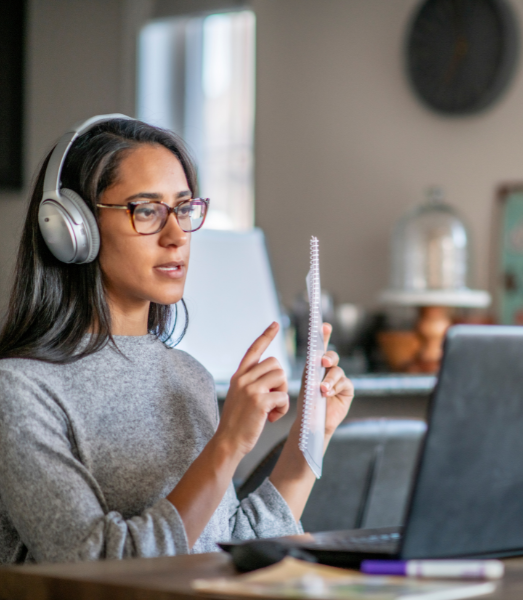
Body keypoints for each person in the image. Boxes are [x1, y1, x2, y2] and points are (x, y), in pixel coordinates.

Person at [0, 116, 354, 564]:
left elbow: (227, 549)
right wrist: (225, 445)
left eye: (183, 209)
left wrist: (311, 435)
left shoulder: (189, 378)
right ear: (73, 229)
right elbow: (99, 567)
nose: (176, 237)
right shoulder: (18, 391)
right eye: (146, 210)